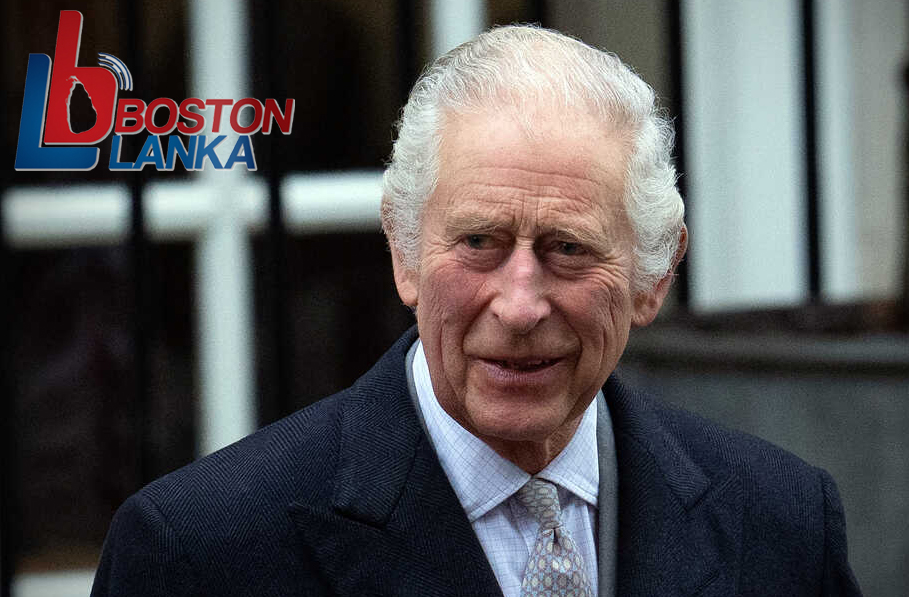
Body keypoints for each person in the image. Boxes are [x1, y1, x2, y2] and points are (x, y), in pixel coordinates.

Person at [91, 25, 861, 597]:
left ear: (653, 276)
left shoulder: (783, 522)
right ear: (403, 253)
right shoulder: (200, 553)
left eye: (567, 248)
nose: (520, 305)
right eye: (480, 241)